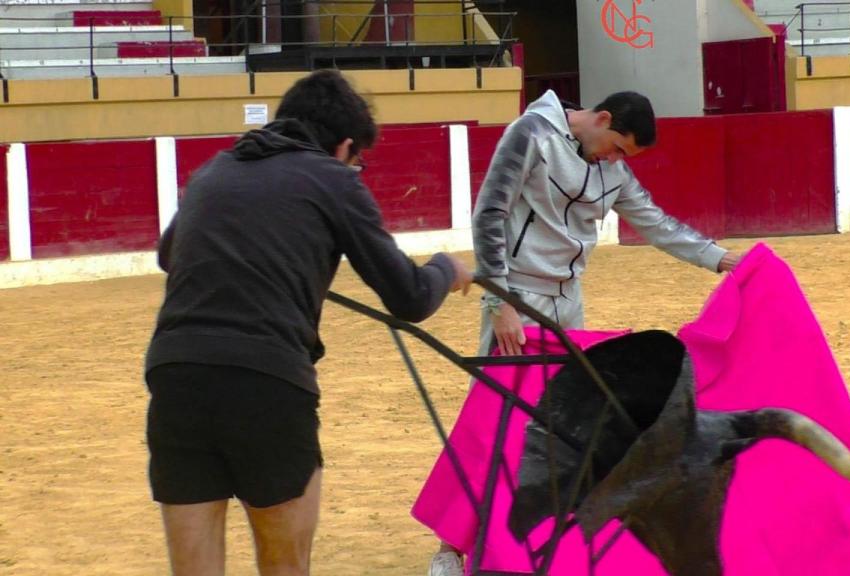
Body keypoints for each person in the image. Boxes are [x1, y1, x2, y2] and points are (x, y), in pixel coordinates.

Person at [145, 69, 472, 576]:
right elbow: (407, 297)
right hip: (267, 381)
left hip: (176, 374)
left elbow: (171, 256)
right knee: (285, 564)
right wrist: (446, 268)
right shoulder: (333, 178)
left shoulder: (215, 171)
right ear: (344, 146)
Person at [426, 89, 741, 575]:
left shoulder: (612, 168)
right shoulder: (530, 134)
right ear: (602, 118)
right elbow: (489, 212)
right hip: (517, 297)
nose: (616, 160)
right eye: (617, 146)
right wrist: (498, 301)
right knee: (493, 417)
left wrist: (719, 259)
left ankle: (523, 539)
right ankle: (451, 545)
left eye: (624, 156)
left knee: (563, 420)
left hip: (568, 302)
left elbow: (654, 223)